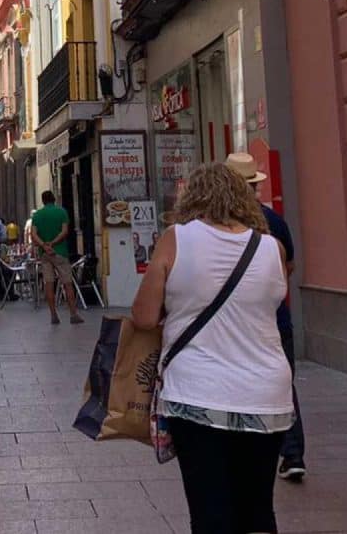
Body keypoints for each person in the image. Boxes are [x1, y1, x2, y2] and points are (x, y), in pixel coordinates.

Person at [132, 163, 293, 534]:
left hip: (198, 394)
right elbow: (273, 303)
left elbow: (143, 317)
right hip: (267, 394)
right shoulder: (272, 247)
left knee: (210, 512)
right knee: (258, 510)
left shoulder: (176, 238)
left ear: (193, 197)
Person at [226, 151, 307, 483]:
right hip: (276, 318)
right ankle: (292, 454)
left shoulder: (219, 224)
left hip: (237, 322)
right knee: (282, 385)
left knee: (237, 382)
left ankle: (245, 451)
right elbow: (289, 267)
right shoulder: (274, 221)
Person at [29, 191, 84, 325]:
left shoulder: (37, 215)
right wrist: (53, 243)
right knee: (67, 283)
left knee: (49, 283)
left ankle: (53, 315)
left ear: (43, 201)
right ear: (54, 199)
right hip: (60, 252)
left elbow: (33, 234)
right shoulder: (62, 212)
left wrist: (44, 245)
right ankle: (73, 314)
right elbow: (65, 231)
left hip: (45, 254)